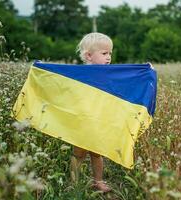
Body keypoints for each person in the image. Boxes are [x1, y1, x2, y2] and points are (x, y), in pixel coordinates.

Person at [70, 32, 113, 193]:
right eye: (104, 53)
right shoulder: (79, 74)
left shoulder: (109, 74)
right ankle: (74, 183)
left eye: (110, 53)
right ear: (89, 55)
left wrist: (145, 70)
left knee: (97, 154)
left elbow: (128, 76)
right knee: (78, 154)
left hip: (98, 120)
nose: (108, 57)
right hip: (81, 121)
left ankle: (98, 181)